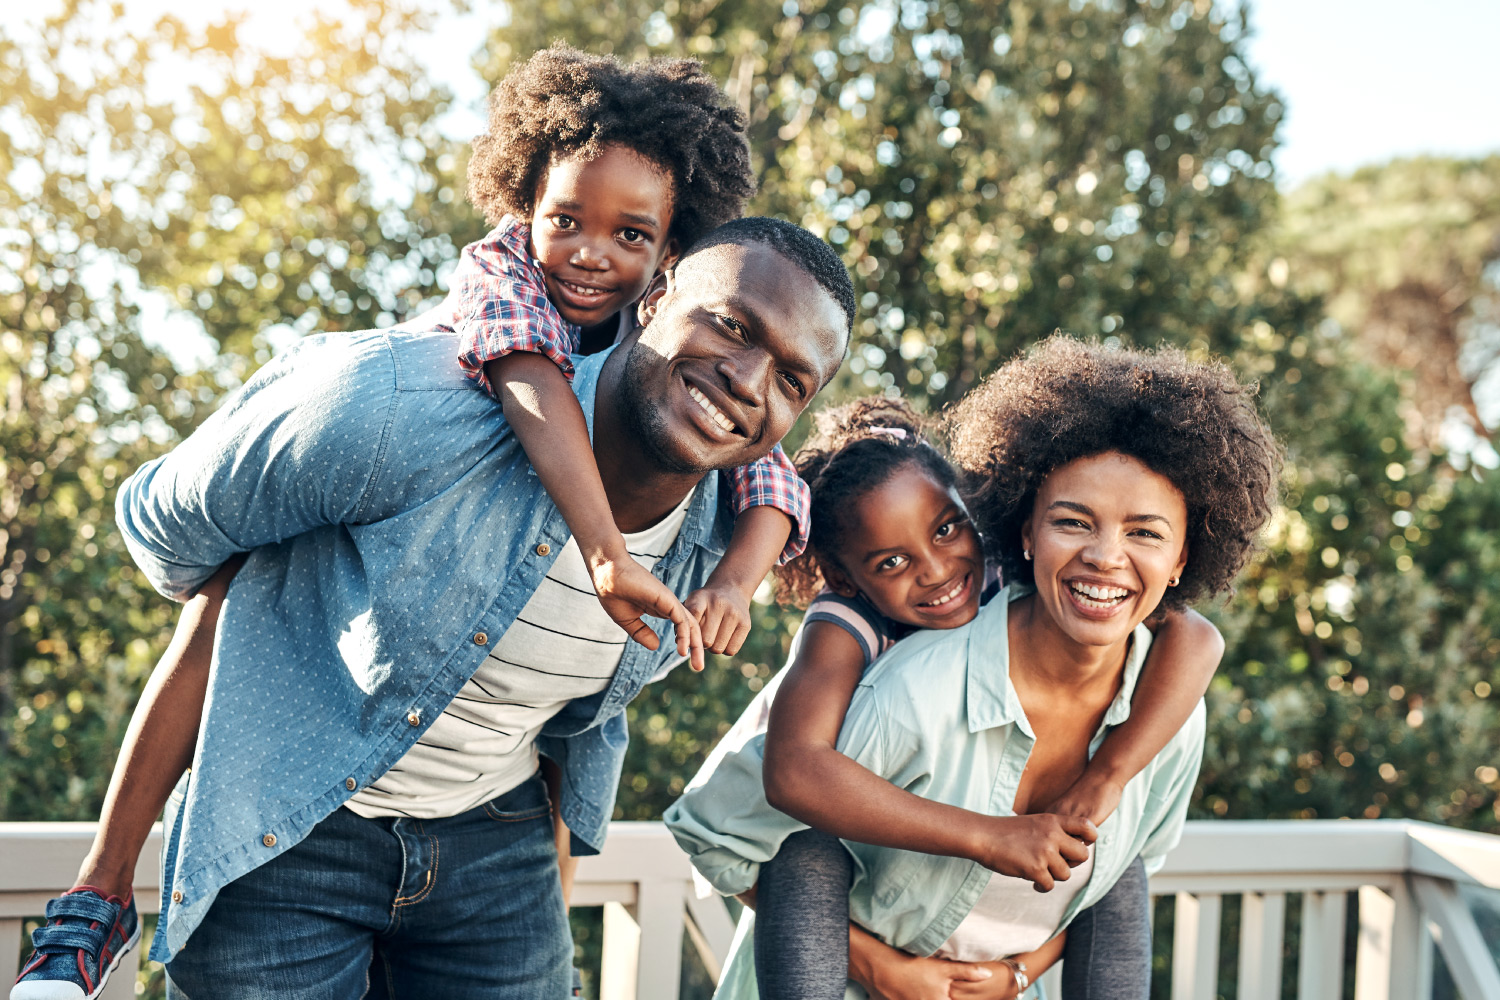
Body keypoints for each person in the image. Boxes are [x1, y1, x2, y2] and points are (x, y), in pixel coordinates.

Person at [11, 46, 807, 1000]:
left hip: (490, 839)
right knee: (237, 590)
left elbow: (777, 479)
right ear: (524, 207)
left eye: (633, 235)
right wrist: (257, 576)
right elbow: (526, 376)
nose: (592, 255)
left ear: (671, 255)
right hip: (301, 821)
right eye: (566, 222)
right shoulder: (464, 331)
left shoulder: (702, 402)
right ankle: (94, 901)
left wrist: (734, 582)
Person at [666, 335, 1281, 999]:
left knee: (1120, 870)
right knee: (807, 852)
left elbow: (1197, 637)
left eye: (1145, 533)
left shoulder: (1159, 697)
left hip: (1005, 972)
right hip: (843, 960)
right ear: (1027, 528)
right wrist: (890, 957)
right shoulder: (870, 661)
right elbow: (777, 787)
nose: (935, 570)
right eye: (1074, 522)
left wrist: (1104, 782)